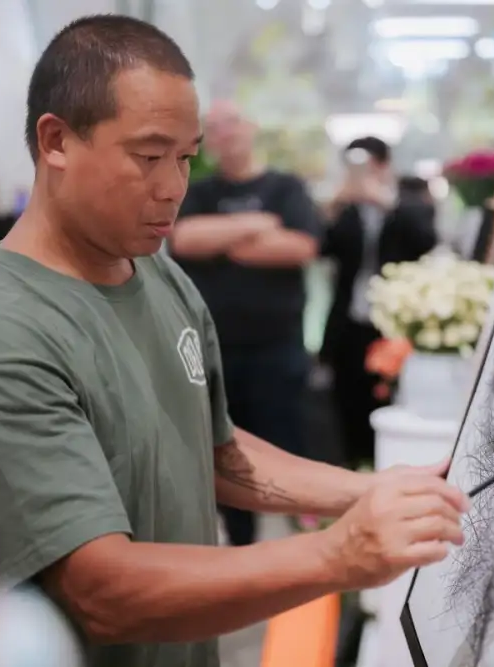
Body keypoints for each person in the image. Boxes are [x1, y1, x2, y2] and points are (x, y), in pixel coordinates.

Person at [0, 15, 465, 667]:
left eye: (185, 157)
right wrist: (338, 553)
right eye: (149, 157)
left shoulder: (154, 272)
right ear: (56, 140)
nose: (174, 188)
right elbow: (101, 590)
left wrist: (364, 490)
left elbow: (206, 446)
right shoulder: (0, 335)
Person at [169, 100, 322, 546]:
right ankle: (240, 543)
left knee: (287, 441)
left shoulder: (286, 188)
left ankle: (305, 539)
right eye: (213, 128)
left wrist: (221, 240)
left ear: (251, 127)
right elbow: (184, 239)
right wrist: (256, 224)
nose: (224, 134)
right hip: (215, 348)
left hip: (278, 345)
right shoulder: (197, 191)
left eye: (231, 123)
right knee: (224, 448)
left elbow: (299, 248)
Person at [321, 137, 438, 467]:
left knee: (389, 402)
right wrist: (334, 205)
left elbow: (425, 240)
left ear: (384, 166)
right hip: (349, 323)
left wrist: (385, 202)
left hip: (393, 326)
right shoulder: (346, 209)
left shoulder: (408, 201)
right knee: (347, 403)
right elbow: (321, 247)